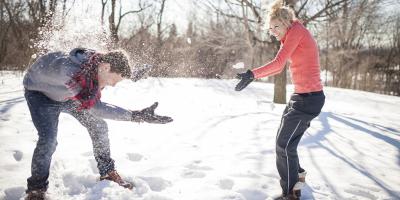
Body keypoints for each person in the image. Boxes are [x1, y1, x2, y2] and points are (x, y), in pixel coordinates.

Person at [23, 48, 173, 199]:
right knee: (48, 140)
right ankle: (36, 189)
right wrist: (135, 115)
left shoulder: (99, 64)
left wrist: (132, 75)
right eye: (115, 80)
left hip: (68, 96)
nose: (113, 85)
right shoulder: (71, 72)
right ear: (106, 68)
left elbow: (115, 66)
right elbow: (96, 108)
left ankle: (107, 172)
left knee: (98, 126)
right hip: (40, 95)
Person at [235, 1, 325, 199]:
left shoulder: (296, 31)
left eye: (276, 26)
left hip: (308, 100)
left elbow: (278, 64)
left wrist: (252, 74)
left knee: (284, 145)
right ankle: (298, 175)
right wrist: (252, 76)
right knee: (285, 142)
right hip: (301, 96)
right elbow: (279, 67)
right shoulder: (292, 34)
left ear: (286, 22)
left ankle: (291, 193)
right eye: (270, 28)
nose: (273, 31)